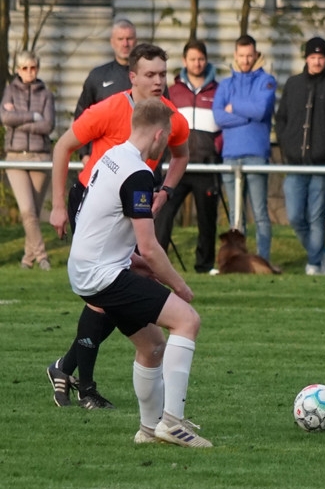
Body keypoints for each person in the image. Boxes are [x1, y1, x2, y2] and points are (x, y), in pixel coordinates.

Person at [47, 43, 191, 411]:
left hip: (123, 213)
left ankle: (69, 371)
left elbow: (181, 154)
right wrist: (59, 205)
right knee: (115, 295)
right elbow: (63, 146)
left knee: (125, 306)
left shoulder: (159, 125)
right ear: (132, 77)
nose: (158, 81)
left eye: (163, 74)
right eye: (150, 74)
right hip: (97, 210)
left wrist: (165, 192)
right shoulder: (110, 111)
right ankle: (85, 384)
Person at [69, 98, 211, 448]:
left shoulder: (112, 155)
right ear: (159, 135)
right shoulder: (138, 174)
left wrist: (135, 263)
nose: (168, 145)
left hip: (87, 270)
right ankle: (172, 422)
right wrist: (180, 286)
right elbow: (149, 246)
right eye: (168, 137)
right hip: (103, 275)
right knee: (187, 320)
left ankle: (148, 430)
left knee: (152, 346)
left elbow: (99, 225)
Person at [275, 36, 325, 275]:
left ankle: (314, 264)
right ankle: (321, 253)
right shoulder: (293, 84)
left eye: (320, 57)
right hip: (294, 163)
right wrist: (287, 144)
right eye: (313, 57)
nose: (317, 61)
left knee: (316, 216)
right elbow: (281, 119)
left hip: (322, 163)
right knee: (295, 216)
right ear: (306, 58)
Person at [156, 39, 223, 274]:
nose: (197, 63)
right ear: (185, 61)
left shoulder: (218, 91)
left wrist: (216, 146)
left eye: (201, 59)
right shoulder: (172, 92)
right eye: (193, 59)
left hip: (206, 165)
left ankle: (205, 265)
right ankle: (157, 264)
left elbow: (223, 126)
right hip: (177, 164)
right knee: (163, 213)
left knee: (207, 218)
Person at [213, 34, 277, 261]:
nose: (245, 60)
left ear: (256, 54)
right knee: (236, 214)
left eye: (249, 55)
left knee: (259, 212)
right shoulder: (225, 84)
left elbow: (261, 111)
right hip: (230, 155)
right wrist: (247, 115)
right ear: (235, 55)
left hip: (256, 154)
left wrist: (234, 107)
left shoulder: (266, 81)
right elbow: (219, 117)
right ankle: (237, 260)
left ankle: (263, 260)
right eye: (241, 55)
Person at [1, 51, 55, 270]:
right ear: (18, 70)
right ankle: (42, 257)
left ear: (38, 69)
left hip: (40, 157)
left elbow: (48, 125)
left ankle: (27, 259)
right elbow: (5, 118)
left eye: (33, 67)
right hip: (15, 157)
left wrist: (18, 121)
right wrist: (33, 116)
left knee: (33, 211)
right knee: (26, 210)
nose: (29, 72)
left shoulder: (47, 94)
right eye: (25, 68)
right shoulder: (10, 91)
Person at [74, 18, 137, 159]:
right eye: (120, 39)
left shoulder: (149, 76)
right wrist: (84, 154)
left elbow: (165, 119)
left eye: (129, 39)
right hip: (102, 157)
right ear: (112, 42)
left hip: (140, 157)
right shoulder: (98, 76)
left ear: (136, 41)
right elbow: (81, 114)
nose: (125, 44)